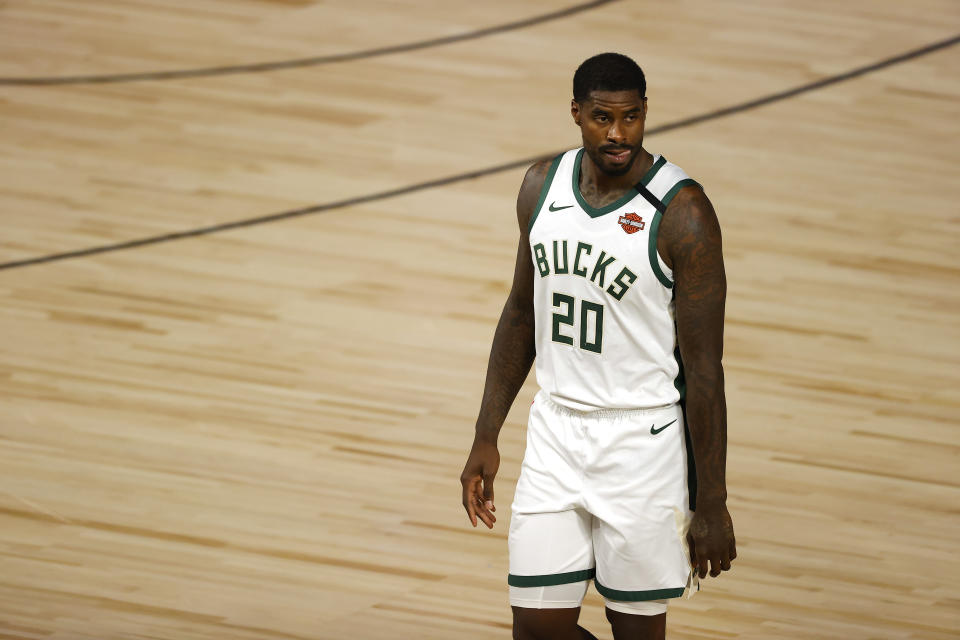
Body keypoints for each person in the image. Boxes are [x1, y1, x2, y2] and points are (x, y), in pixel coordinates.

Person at [460, 52, 736, 640]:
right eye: (603, 118)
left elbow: (705, 372)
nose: (618, 134)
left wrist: (712, 502)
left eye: (632, 117)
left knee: (633, 629)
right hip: (556, 432)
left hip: (641, 444)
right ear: (576, 114)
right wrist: (487, 433)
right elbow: (519, 315)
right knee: (535, 629)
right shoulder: (541, 186)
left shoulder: (684, 214)